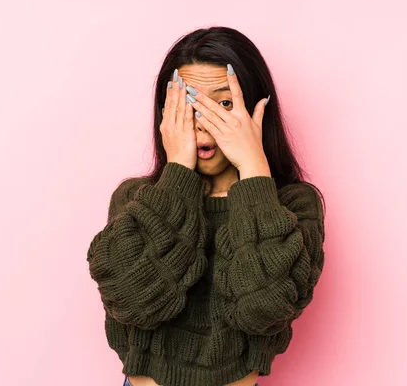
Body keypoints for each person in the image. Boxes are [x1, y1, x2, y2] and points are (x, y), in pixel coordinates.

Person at [86, 26, 326, 386]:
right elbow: (134, 301)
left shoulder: (292, 205)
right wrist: (178, 171)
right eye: (188, 103)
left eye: (224, 103)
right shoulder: (136, 199)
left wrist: (255, 171)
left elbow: (264, 310)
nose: (203, 121)